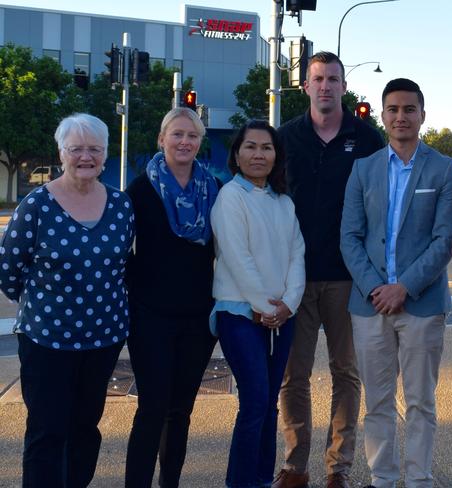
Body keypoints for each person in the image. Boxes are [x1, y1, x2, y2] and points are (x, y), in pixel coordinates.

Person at [0, 113, 134, 487]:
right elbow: (9, 269)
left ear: (106, 154)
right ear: (62, 152)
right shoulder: (37, 205)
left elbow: (124, 265)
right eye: (77, 149)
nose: (86, 156)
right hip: (47, 340)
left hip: (103, 339)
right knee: (47, 431)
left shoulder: (121, 206)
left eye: (94, 149)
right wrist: (46, 306)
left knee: (85, 429)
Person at [340, 78, 452, 488]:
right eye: (392, 109)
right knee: (376, 402)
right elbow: (350, 237)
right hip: (369, 305)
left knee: (420, 402)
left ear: (422, 115)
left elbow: (445, 240)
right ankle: (382, 478)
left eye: (409, 109)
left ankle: (419, 479)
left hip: (422, 304)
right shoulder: (363, 169)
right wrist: (377, 286)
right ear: (383, 115)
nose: (400, 116)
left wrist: (404, 287)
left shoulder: (444, 169)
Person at [274, 51, 384, 488]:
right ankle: (295, 466)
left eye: (333, 79)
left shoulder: (367, 138)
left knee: (346, 372)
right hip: (295, 276)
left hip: (347, 276)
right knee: (292, 375)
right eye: (317, 78)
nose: (325, 86)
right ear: (305, 85)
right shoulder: (285, 137)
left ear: (344, 86)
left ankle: (338, 468)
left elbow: (382, 203)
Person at [125, 107, 219, 487]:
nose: (184, 142)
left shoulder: (215, 190)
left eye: (192, 136)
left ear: (200, 142)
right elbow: (119, 252)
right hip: (150, 317)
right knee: (152, 408)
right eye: (176, 134)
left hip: (198, 319)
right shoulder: (139, 190)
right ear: (161, 139)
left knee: (180, 411)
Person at [211, 119, 305, 488]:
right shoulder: (230, 197)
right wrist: (265, 307)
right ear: (237, 153)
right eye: (250, 146)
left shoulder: (283, 202)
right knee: (253, 402)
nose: (258, 154)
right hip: (239, 313)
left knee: (269, 405)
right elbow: (237, 257)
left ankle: (262, 479)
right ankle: (240, 482)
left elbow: (298, 254)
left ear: (276, 156)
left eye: (266, 147)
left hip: (281, 317)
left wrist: (289, 305)